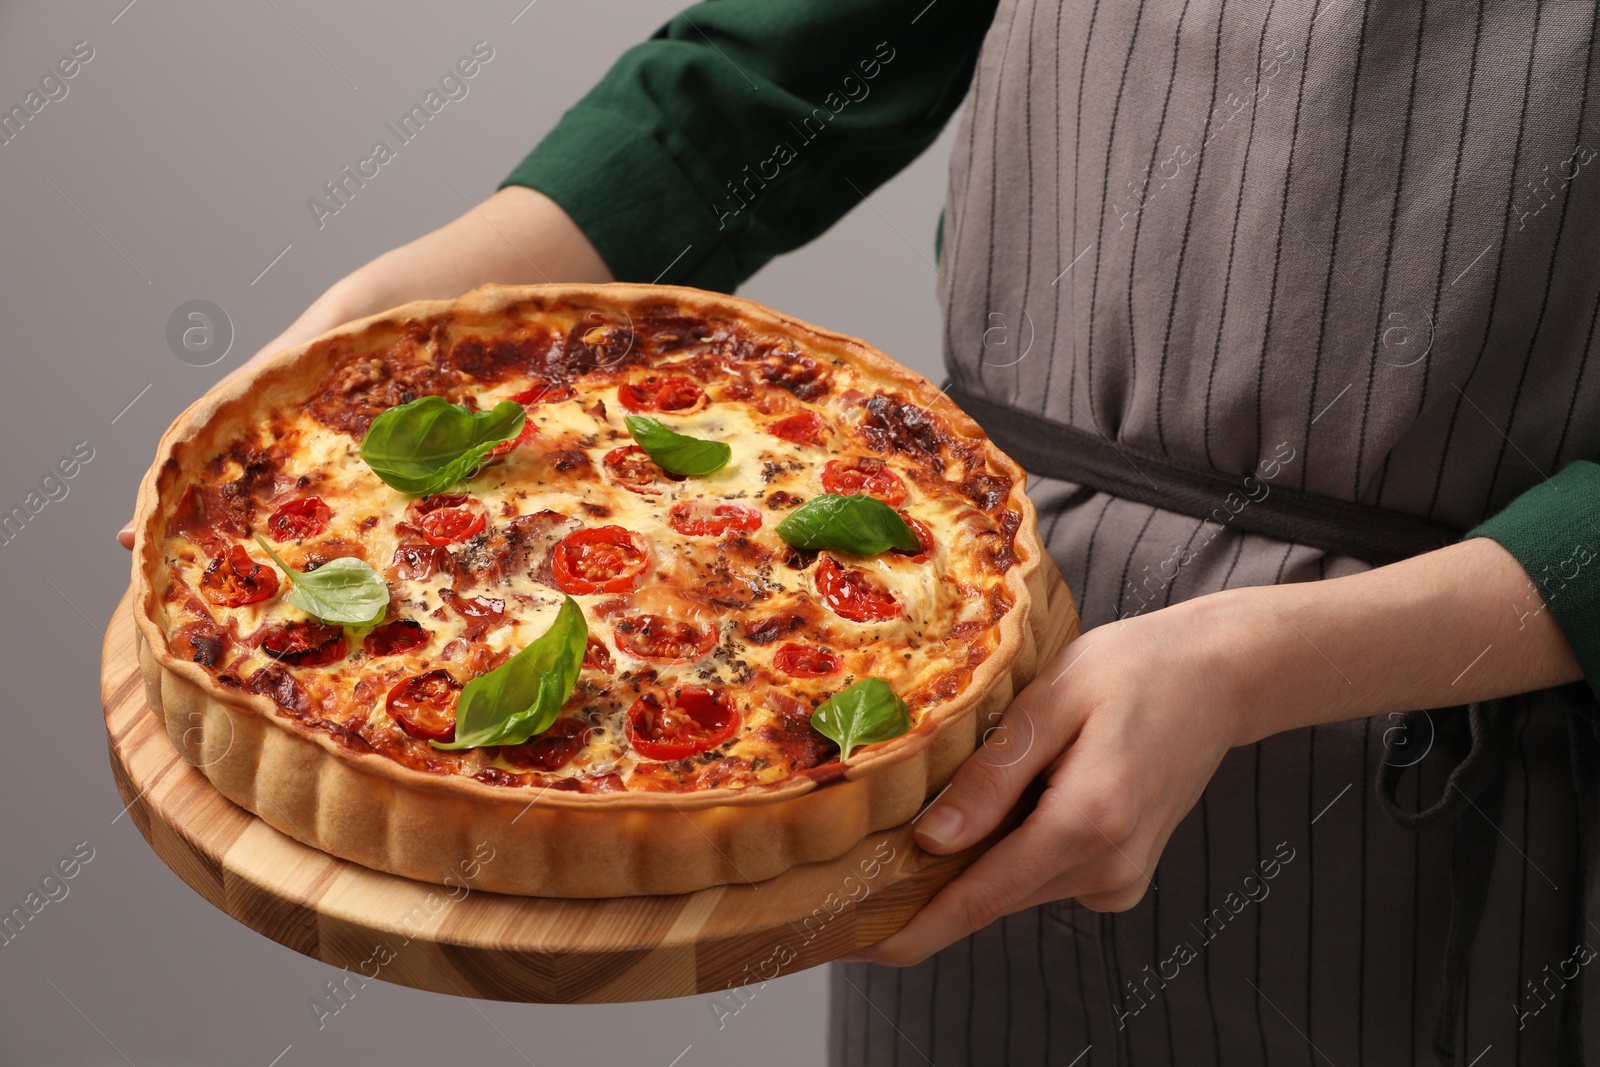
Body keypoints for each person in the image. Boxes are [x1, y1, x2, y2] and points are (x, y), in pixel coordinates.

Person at [121, 1, 1600, 1062]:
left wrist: (1244, 666)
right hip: (967, 698)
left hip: (1451, 727)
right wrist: (394, 337)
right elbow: (794, 66)